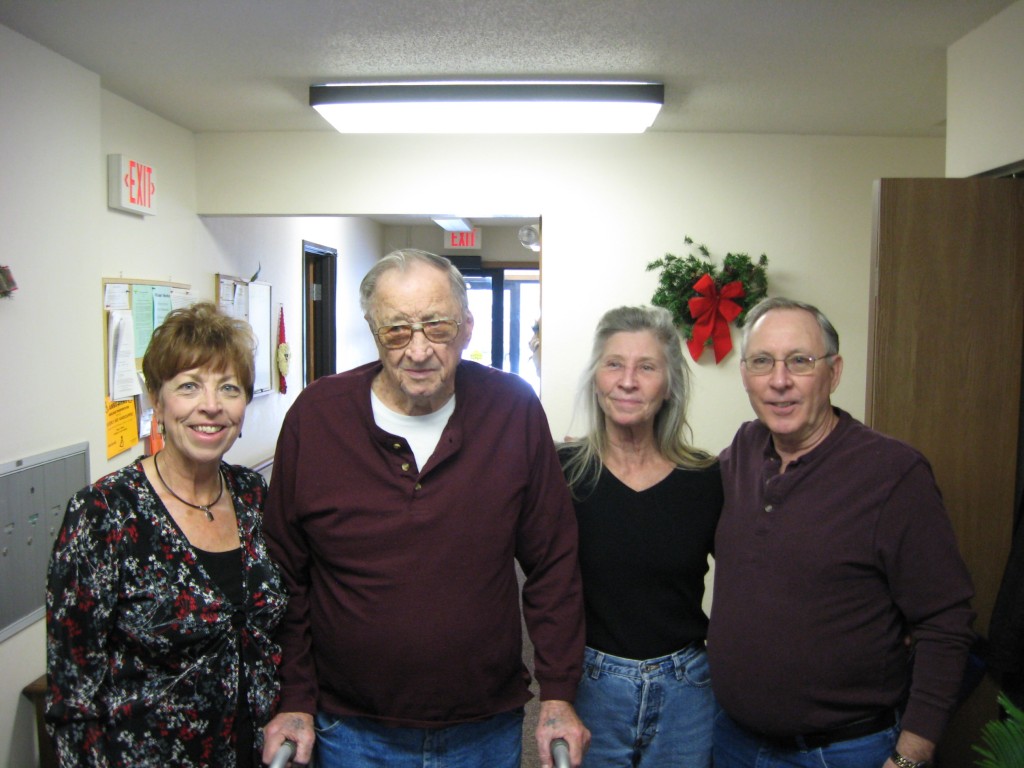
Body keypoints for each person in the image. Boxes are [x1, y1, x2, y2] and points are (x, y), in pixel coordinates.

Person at [261, 249, 589, 768]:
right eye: (397, 330)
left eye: (436, 326)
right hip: (351, 728)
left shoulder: (513, 409)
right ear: (372, 330)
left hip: (484, 723)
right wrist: (296, 696)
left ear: (466, 327)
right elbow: (284, 573)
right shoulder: (316, 417)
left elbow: (552, 564)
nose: (418, 350)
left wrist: (559, 691)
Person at [708, 296, 976, 768]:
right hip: (733, 741)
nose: (779, 380)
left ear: (834, 372)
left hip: (845, 752)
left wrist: (912, 755)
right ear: (746, 375)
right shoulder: (743, 451)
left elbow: (946, 623)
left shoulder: (894, 473)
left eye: (800, 361)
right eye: (762, 361)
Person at [45, 301, 288, 767]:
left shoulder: (253, 494)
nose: (211, 406)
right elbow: (73, 696)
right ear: (157, 399)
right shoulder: (104, 513)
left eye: (229, 387)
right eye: (189, 386)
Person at [559, 305, 722, 767]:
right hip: (592, 685)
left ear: (669, 384)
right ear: (596, 378)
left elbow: (753, 578)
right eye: (614, 364)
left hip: (687, 689)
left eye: (646, 367)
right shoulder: (560, 474)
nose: (627, 381)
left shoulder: (708, 479)